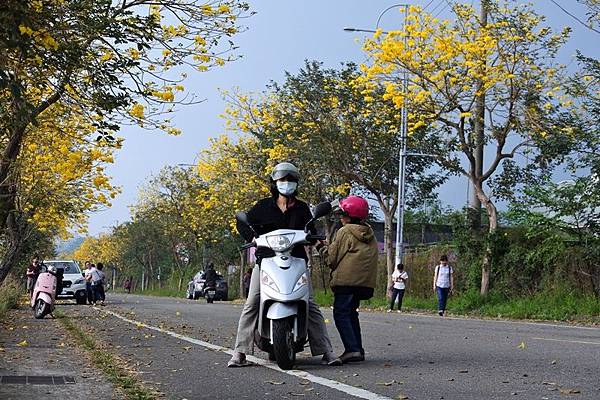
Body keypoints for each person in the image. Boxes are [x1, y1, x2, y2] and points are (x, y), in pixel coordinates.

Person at [227, 162, 341, 367]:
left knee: (311, 304)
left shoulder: (303, 208)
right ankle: (239, 352)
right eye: (282, 180)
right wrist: (252, 237)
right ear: (274, 183)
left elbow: (310, 230)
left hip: (296, 260)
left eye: (290, 180)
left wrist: (319, 245)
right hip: (266, 261)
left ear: (296, 184)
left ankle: (326, 351)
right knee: (252, 302)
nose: (286, 184)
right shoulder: (263, 207)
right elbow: (243, 222)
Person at [324, 195, 378, 363]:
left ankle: (352, 349)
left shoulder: (345, 231)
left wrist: (321, 248)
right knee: (351, 314)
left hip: (346, 282)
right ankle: (357, 349)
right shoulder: (369, 233)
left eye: (342, 214)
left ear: (349, 215)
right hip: (363, 283)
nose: (341, 217)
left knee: (341, 313)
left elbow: (331, 259)